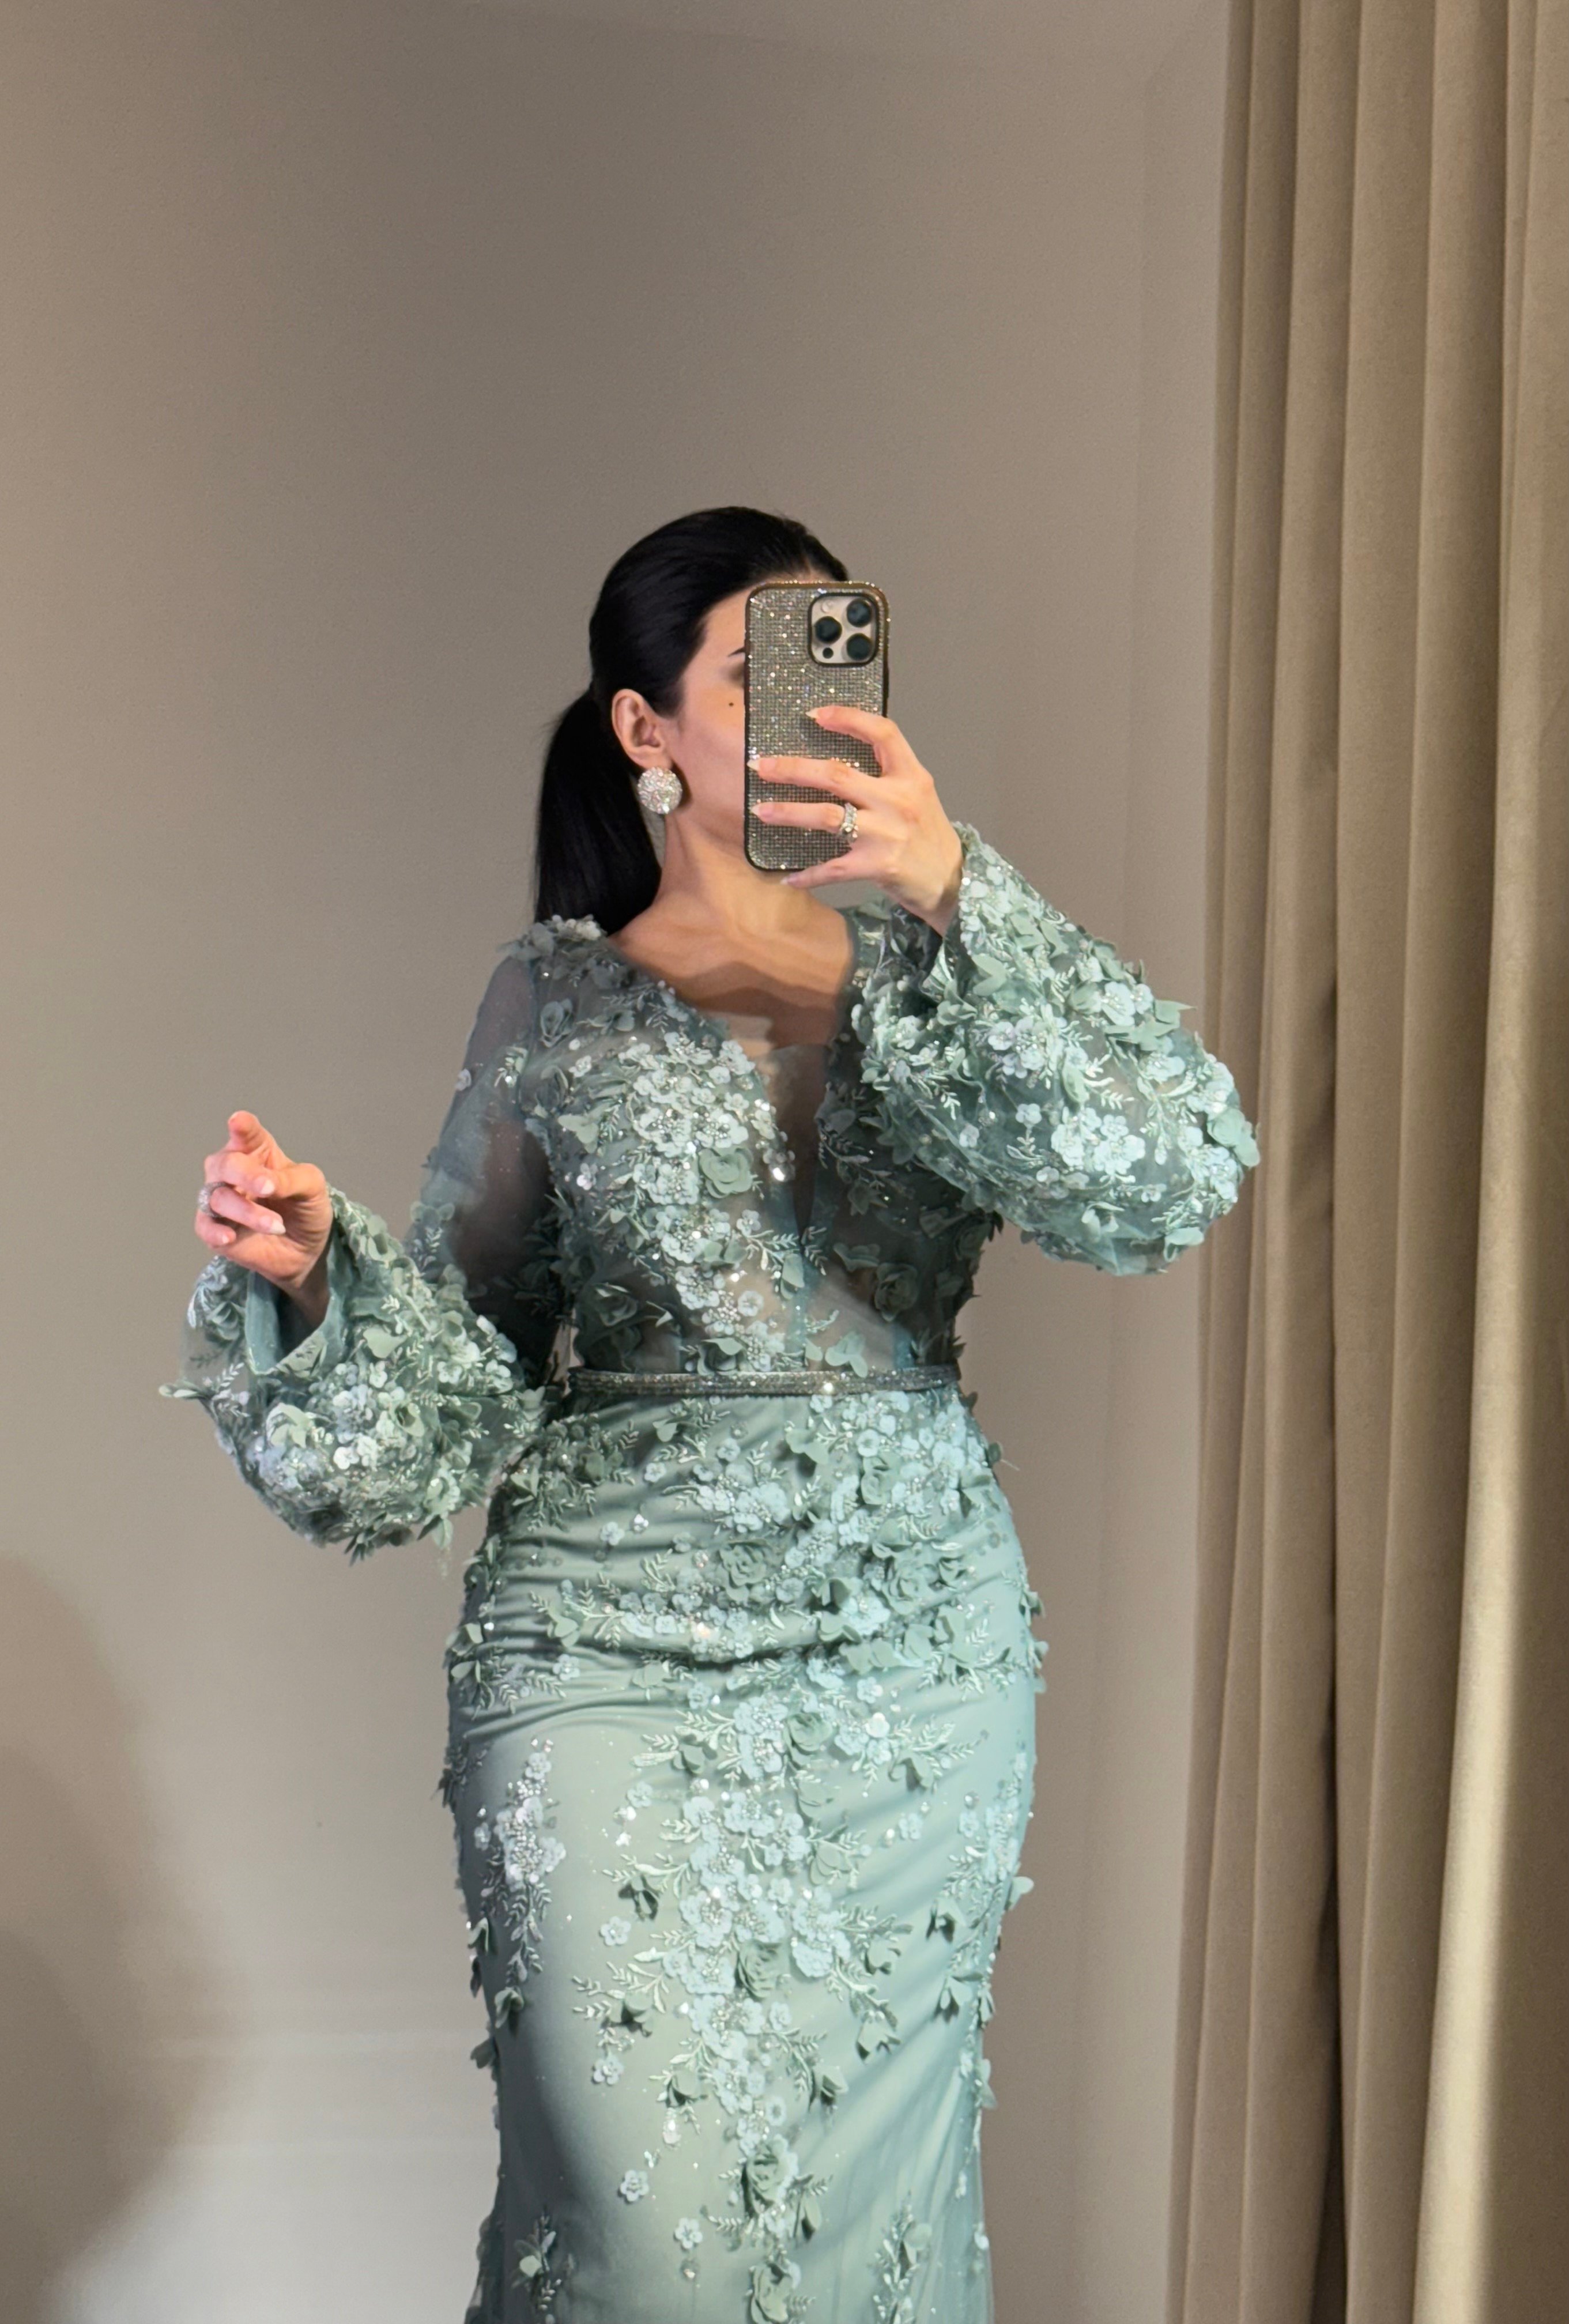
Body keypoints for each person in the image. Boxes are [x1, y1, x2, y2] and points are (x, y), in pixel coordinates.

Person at [162, 505, 1259, 2324]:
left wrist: (954, 889)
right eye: (755, 678)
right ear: (643, 728)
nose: (812, 711)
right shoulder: (555, 999)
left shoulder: (944, 975)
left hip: (909, 1667)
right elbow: (443, 1402)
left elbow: (1160, 1184)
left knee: (873, 2242)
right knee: (641, 2244)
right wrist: (307, 1278)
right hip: (606, 1646)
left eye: (836, 664)